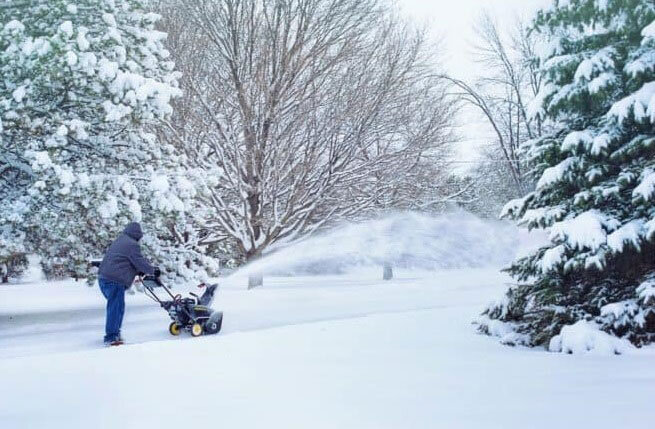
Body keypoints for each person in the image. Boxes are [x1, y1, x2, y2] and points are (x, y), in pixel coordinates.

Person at [98, 222, 159, 345]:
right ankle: (111, 337)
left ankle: (115, 333)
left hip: (104, 278)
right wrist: (153, 270)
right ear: (137, 235)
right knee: (115, 308)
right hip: (113, 280)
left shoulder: (120, 240)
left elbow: (123, 261)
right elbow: (139, 261)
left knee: (117, 307)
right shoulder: (131, 245)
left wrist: (138, 271)